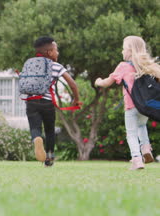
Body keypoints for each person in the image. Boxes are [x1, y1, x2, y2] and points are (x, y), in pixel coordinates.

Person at [95, 36, 159, 170]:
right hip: (145, 106)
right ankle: (146, 148)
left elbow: (107, 82)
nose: (121, 52)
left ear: (130, 51)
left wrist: (98, 81)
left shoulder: (123, 66)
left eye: (123, 49)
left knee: (131, 133)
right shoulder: (148, 66)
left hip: (131, 107)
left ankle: (137, 159)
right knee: (142, 126)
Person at [24, 36, 82, 167]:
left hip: (31, 102)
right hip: (47, 103)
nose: (58, 53)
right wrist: (76, 100)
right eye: (56, 50)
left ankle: (37, 139)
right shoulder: (56, 66)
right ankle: (49, 158)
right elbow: (72, 84)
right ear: (50, 52)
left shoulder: (30, 64)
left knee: (35, 128)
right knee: (50, 130)